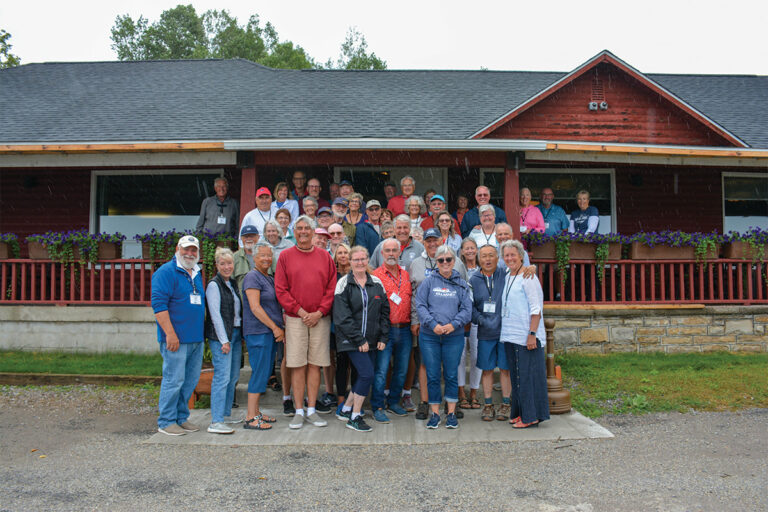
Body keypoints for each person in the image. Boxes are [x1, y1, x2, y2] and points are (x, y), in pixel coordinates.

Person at [275, 215, 337, 429]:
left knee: (315, 364)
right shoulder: (285, 256)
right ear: (295, 231)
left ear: (313, 232)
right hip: (295, 319)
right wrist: (301, 312)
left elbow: (331, 288)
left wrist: (319, 312)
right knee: (297, 365)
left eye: (307, 228)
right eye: (299, 228)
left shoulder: (325, 257)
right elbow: (281, 290)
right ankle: (299, 410)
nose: (303, 231)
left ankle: (312, 409)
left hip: (320, 319)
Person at [408, 228, 467, 420]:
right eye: (441, 260)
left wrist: (454, 324)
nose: (445, 263)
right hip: (430, 334)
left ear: (454, 261)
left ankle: (450, 412)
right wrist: (432, 324)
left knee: (450, 374)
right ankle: (434, 413)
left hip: (453, 335)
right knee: (432, 374)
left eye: (448, 260)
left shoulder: (460, 283)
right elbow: (420, 304)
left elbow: (467, 308)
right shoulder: (428, 281)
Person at [151, 235, 205, 436]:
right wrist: (170, 334)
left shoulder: (196, 273)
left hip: (195, 339)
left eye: (193, 250)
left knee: (189, 381)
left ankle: (181, 417)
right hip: (175, 339)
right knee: (173, 380)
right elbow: (159, 306)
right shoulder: (166, 272)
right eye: (186, 250)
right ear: (177, 249)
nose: (190, 254)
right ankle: (166, 421)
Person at [333, 246, 389, 432]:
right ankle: (355, 417)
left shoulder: (376, 282)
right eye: (355, 260)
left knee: (365, 375)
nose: (359, 263)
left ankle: (346, 409)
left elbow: (384, 312)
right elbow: (342, 317)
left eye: (362, 259)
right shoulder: (343, 283)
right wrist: (359, 340)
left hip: (372, 341)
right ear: (350, 262)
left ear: (367, 260)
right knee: (367, 375)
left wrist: (383, 336)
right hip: (351, 341)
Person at [500, 239, 550, 428]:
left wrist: (532, 333)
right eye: (506, 255)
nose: (509, 258)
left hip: (526, 335)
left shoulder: (529, 277)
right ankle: (519, 412)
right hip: (511, 334)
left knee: (528, 376)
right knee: (517, 377)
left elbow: (536, 308)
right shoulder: (508, 275)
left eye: (513, 254)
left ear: (521, 256)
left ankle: (532, 416)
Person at [242, 242, 285, 431]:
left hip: (268, 333)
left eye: (269, 255)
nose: (267, 259)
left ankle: (256, 412)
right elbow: (255, 307)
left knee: (265, 371)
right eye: (262, 256)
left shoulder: (267, 277)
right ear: (253, 256)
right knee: (259, 372)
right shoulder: (252, 277)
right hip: (259, 332)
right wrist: (275, 328)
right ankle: (251, 417)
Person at [470, 244, 515, 422]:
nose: (487, 259)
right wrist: (480, 320)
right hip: (485, 331)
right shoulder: (473, 279)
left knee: (505, 369)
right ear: (478, 259)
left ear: (498, 258)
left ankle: (505, 403)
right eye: (484, 256)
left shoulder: (506, 274)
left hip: (505, 331)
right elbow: (470, 307)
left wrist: (530, 267)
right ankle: (488, 405)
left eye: (491, 256)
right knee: (487, 370)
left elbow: (522, 268)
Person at [370, 238, 413, 423]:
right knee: (381, 370)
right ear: (381, 254)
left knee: (401, 370)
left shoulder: (406, 274)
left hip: (404, 329)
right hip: (384, 330)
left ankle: (394, 401)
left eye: (394, 250)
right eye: (387, 250)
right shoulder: (375, 276)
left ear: (399, 252)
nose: (391, 254)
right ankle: (378, 405)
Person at [204, 247, 243, 434]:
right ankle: (216, 420)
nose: (227, 267)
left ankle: (226, 414)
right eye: (223, 264)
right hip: (222, 337)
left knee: (233, 376)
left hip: (235, 334)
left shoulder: (232, 283)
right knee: (222, 377)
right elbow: (215, 315)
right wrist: (223, 340)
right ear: (217, 265)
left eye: (229, 263)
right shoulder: (214, 285)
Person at [458, 238, 481, 410]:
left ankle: (474, 392)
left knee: (476, 357)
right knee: (460, 357)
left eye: (473, 248)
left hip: (478, 318)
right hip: (460, 318)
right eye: (467, 248)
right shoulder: (457, 268)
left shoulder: (483, 269)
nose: (470, 251)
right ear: (462, 251)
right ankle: (461, 393)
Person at [233, 225, 259, 293]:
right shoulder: (234, 257)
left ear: (258, 237)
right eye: (246, 237)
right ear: (241, 238)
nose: (249, 239)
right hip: (242, 300)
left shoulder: (267, 255)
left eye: (252, 236)